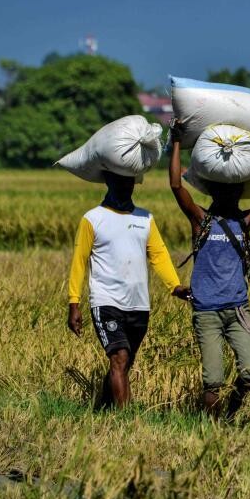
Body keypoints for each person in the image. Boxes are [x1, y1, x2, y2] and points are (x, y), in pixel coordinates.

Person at [169, 122, 250, 420]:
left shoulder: (246, 221)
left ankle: (230, 415)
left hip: (238, 310)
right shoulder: (200, 220)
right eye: (226, 187)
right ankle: (213, 430)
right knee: (212, 380)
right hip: (207, 312)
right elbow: (176, 186)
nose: (231, 192)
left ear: (241, 189)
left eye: (235, 187)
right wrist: (175, 142)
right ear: (213, 189)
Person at [67, 171, 190, 409]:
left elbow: (159, 254)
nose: (125, 185)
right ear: (108, 181)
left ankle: (102, 408)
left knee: (124, 362)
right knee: (119, 357)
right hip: (106, 302)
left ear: (134, 182)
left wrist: (174, 286)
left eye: (129, 180)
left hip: (139, 304)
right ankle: (126, 420)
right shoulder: (93, 218)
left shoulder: (145, 218)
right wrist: (74, 302)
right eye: (118, 179)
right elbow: (79, 261)